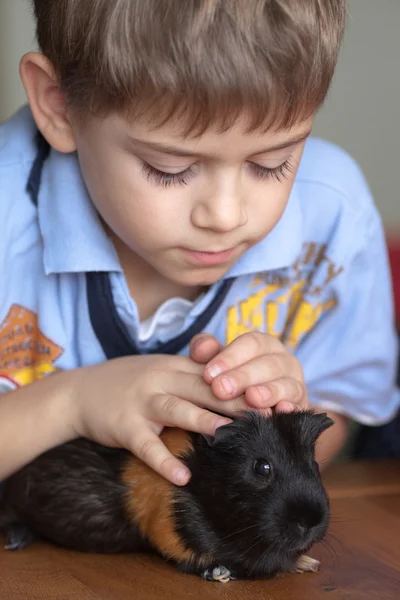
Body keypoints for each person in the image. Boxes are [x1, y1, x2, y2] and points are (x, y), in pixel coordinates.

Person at [0, 0, 398, 489]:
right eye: (171, 170)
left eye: (273, 162)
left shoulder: (335, 215)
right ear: (59, 106)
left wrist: (286, 408)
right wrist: (71, 404)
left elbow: (341, 406)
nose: (226, 216)